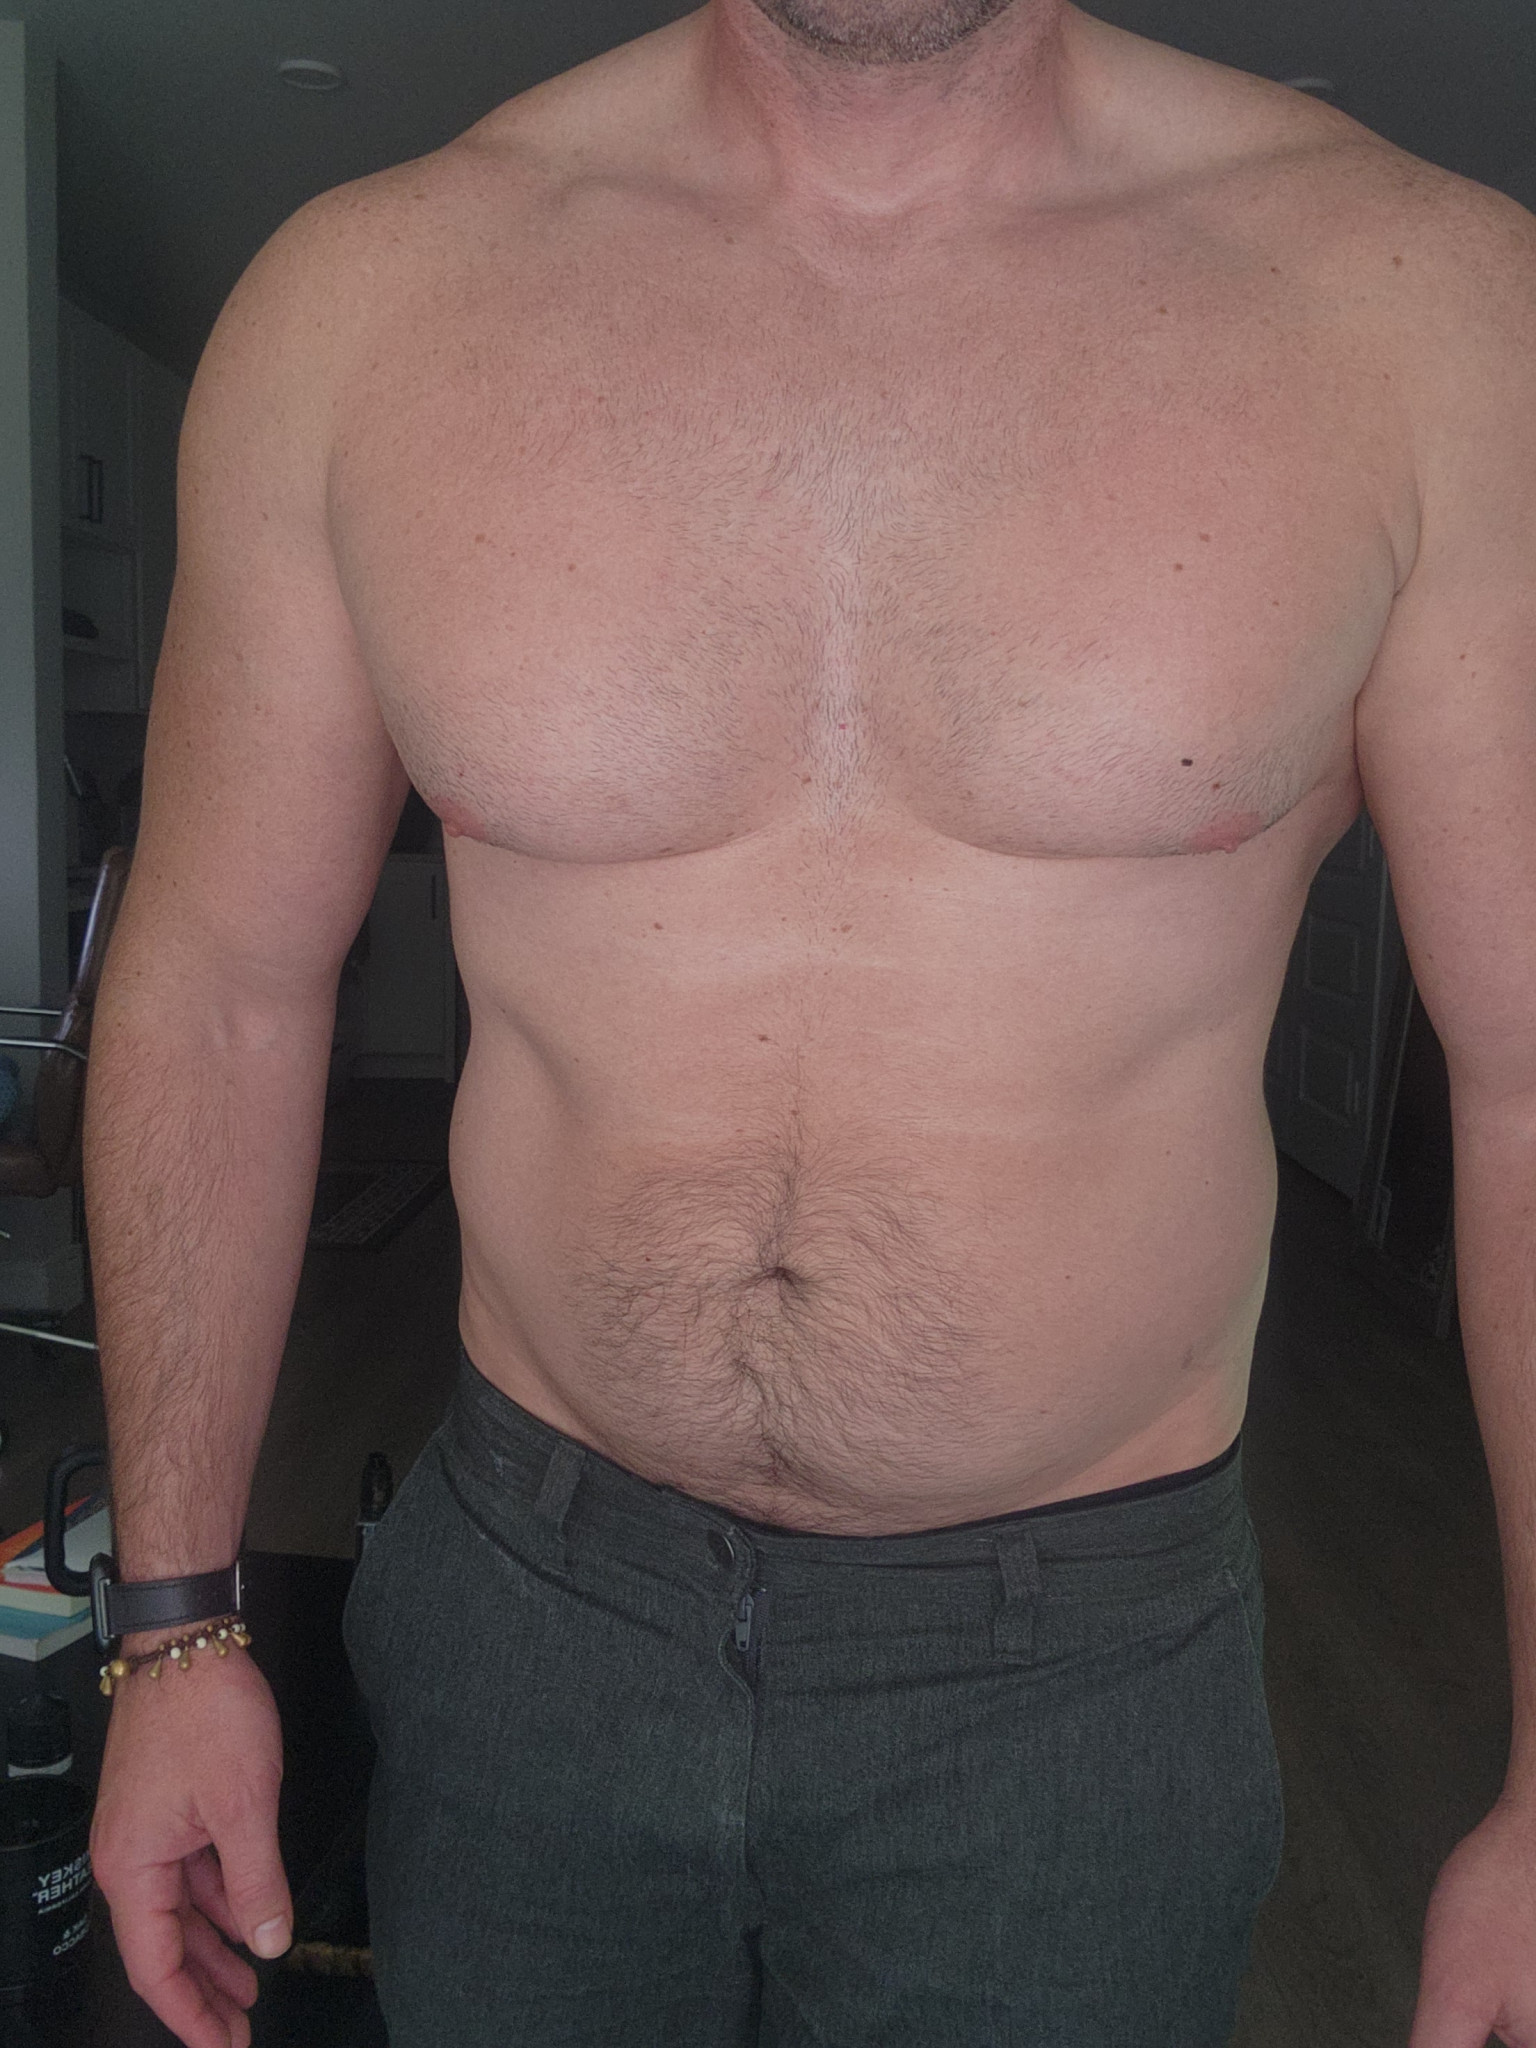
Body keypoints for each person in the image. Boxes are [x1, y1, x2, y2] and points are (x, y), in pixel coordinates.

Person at [83, 1, 1536, 2044]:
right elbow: (221, 986)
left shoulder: (1426, 314)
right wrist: (171, 1626)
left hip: (1071, 1676)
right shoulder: (365, 302)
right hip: (527, 1622)